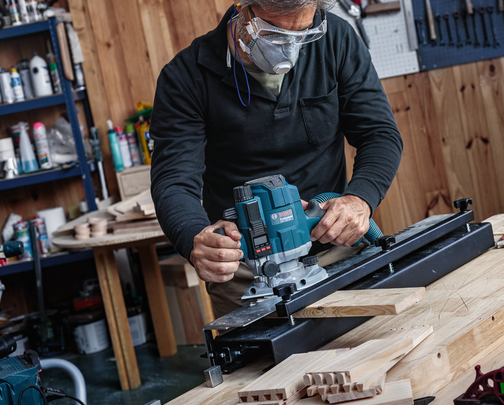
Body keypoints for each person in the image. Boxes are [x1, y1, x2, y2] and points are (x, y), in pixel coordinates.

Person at [149, 0, 403, 317]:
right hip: (246, 273)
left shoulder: (336, 38)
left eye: (304, 34)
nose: (290, 50)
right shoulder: (186, 77)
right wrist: (194, 237)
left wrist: (359, 199)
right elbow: (174, 182)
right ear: (243, 7)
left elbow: (379, 133)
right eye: (275, 34)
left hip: (338, 251)